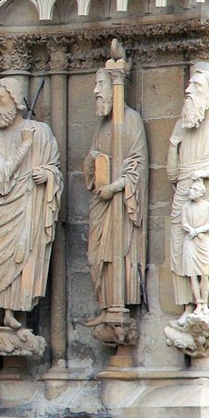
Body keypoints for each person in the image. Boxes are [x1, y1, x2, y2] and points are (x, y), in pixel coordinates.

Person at [0, 77, 63, 331]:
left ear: (15, 102)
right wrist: (24, 146)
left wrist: (47, 175)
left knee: (22, 255)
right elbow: (0, 179)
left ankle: (12, 311)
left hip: (27, 208)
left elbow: (54, 168)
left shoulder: (41, 132)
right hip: (2, 208)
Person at [166, 63, 209, 315]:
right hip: (183, 195)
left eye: (194, 86)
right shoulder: (180, 127)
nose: (187, 90)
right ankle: (187, 305)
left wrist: (204, 173)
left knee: (206, 253)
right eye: (188, 85)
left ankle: (206, 308)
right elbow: (172, 175)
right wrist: (174, 146)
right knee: (180, 252)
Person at [83, 67, 147, 323]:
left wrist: (116, 186)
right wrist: (93, 160)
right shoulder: (103, 125)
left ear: (114, 88)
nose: (95, 91)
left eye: (100, 84)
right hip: (102, 201)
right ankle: (106, 305)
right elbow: (89, 159)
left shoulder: (130, 120)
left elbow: (137, 166)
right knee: (97, 255)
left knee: (117, 252)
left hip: (119, 201)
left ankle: (117, 306)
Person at [180, 178, 209, 308]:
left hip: (202, 241)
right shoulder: (186, 206)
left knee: (205, 274)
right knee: (192, 275)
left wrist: (197, 231)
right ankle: (198, 303)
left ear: (201, 192)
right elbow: (184, 223)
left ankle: (205, 303)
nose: (191, 191)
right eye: (191, 188)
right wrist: (192, 231)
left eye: (194, 189)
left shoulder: (208, 205)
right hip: (190, 241)